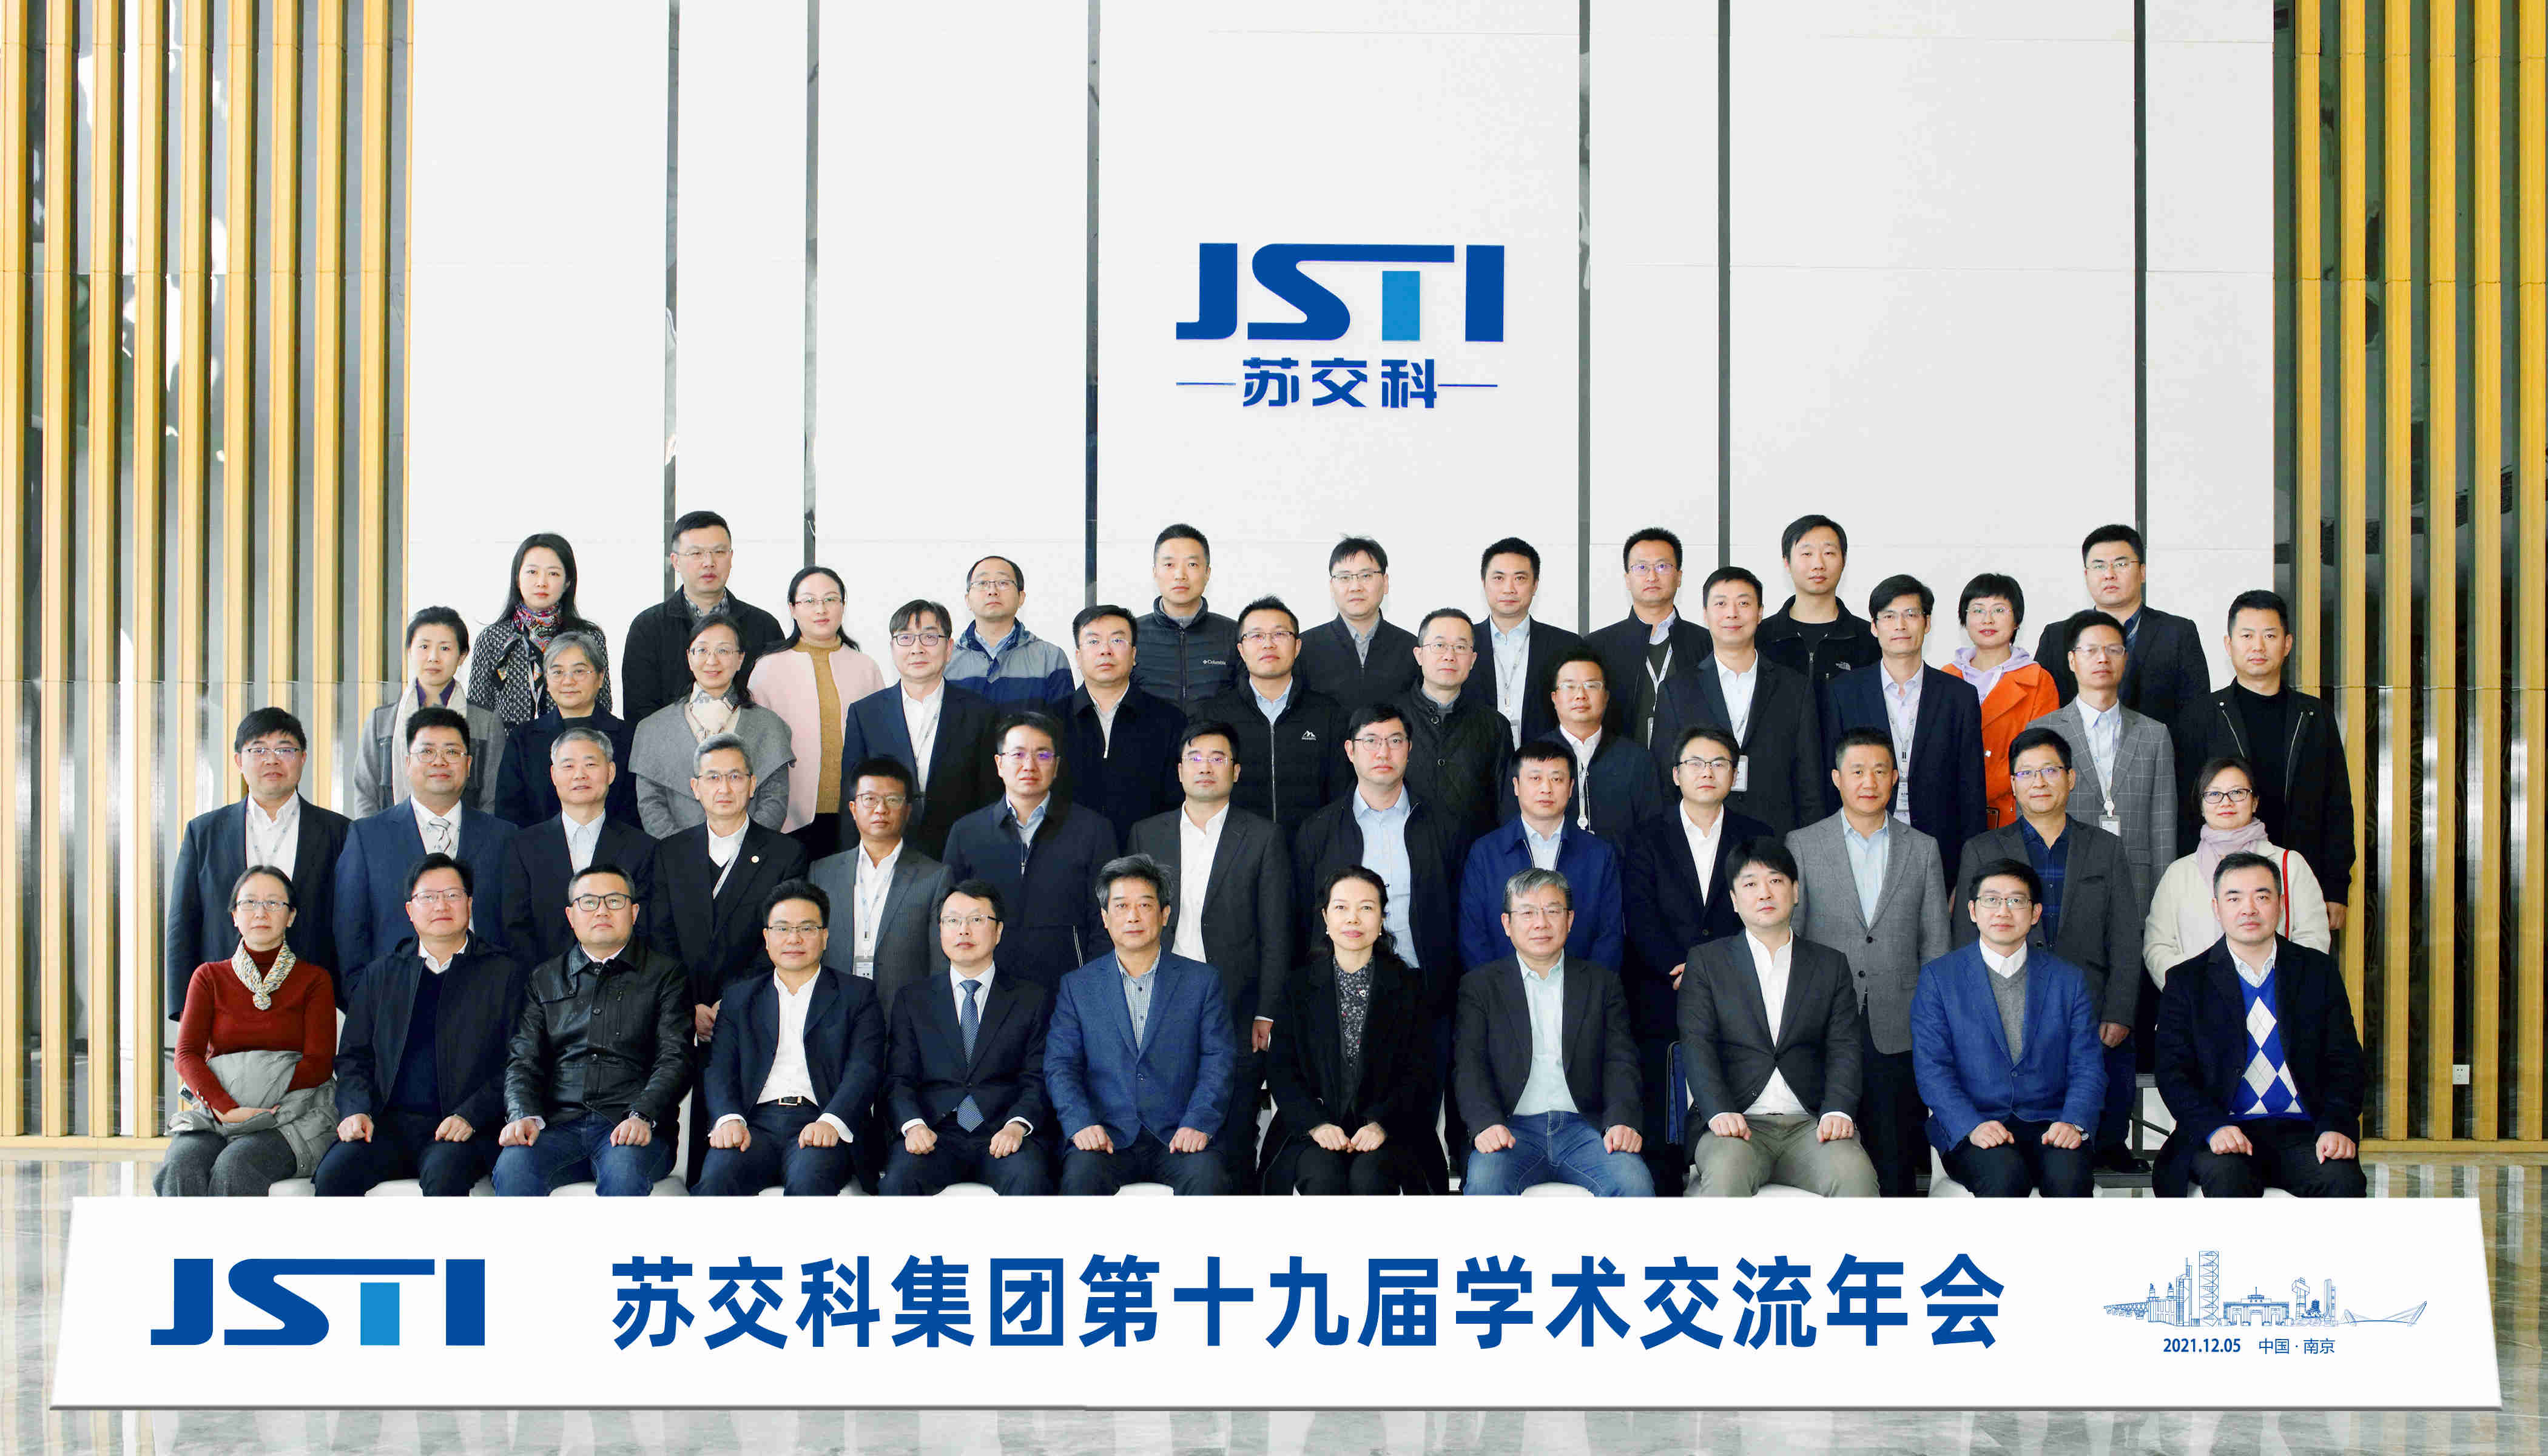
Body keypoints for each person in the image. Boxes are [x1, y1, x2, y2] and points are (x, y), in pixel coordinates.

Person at [1950, 728, 2145, 1174]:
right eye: (2026, 773)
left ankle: (2104, 1143)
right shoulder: (1983, 850)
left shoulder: (2106, 848)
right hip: (2008, 1007)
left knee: (2096, 1135)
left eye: (2050, 771)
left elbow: (2125, 937)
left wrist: (2119, 1010)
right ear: (2012, 784)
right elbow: (1964, 940)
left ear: (2071, 779)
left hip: (2092, 1006)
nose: (2039, 782)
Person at [1127, 720, 1293, 1194]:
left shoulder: (1262, 837)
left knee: (1235, 1135)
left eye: (1218, 758)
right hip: (1159, 1002)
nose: (1206, 767)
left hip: (1234, 1005)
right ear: (1180, 770)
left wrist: (1267, 1010)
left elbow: (1276, 932)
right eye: (1195, 758)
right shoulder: (1147, 834)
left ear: (1236, 772)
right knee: (1172, 1134)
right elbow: (1126, 921)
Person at [1788, 729, 1950, 1197]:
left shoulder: (1922, 848)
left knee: (1894, 1156)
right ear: (1836, 778)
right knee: (1829, 1155)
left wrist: (1932, 1022)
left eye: (1880, 771)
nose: (1869, 781)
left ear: (1896, 778)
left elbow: (1935, 943)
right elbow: (1792, 937)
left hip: (1897, 1022)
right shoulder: (1803, 844)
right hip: (1823, 1021)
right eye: (1857, 771)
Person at [2154, 851, 2365, 1198]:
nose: (2249, 909)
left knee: (2342, 1178)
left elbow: (2346, 1062)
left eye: (2262, 897)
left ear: (2280, 904)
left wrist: (2336, 1125)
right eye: (2234, 898)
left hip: (2304, 1131)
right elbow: (2173, 1072)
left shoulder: (2318, 972)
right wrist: (2213, 1127)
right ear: (2216, 908)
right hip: (2223, 1129)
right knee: (2228, 1175)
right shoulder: (2186, 980)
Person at [1680, 839, 1879, 1198]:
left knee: (1856, 1177)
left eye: (1775, 880)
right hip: (1736, 1125)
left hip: (1811, 1126)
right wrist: (1719, 1111)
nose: (1765, 893)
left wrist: (1838, 1110)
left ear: (1795, 891)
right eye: (1750, 884)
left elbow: (1845, 1048)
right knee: (1726, 1175)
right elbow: (1697, 1046)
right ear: (1734, 900)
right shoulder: (1707, 963)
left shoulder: (1830, 965)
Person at [317, 855, 526, 1197]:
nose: (441, 905)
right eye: (428, 897)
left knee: (444, 1175)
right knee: (334, 1174)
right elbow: (354, 1058)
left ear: (470, 904)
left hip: (463, 1126)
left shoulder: (504, 974)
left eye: (453, 895)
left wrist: (471, 1115)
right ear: (410, 910)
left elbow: (518, 1062)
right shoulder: (381, 974)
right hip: (387, 1124)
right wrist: (355, 1111)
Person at [1620, 724, 1774, 1185]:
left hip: (1737, 994)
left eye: (1719, 763)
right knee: (1663, 1127)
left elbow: (1763, 912)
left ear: (1734, 774)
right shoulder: (1645, 836)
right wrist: (1683, 967)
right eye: (1696, 763)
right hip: (1661, 990)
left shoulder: (1758, 837)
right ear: (1676, 774)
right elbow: (1639, 916)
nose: (1707, 772)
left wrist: (1713, 972)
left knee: (1728, 1122)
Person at [492, 864, 691, 1196]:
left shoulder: (666, 976)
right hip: (557, 1126)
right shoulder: (544, 979)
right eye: (589, 902)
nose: (601, 911)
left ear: (634, 912)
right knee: (514, 1168)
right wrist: (522, 1114)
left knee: (624, 1175)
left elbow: (676, 1057)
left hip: (631, 1125)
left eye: (614, 901)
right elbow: (523, 1060)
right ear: (571, 916)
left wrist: (643, 1114)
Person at [1910, 859, 2105, 1198]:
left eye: (2016, 900)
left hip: (2051, 1123)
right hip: (1975, 1124)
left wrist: (2073, 1121)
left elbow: (2087, 1066)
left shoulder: (2067, 980)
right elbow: (1932, 1069)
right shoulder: (1940, 978)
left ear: (2035, 913)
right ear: (1973, 911)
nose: (2003, 911)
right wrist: (1970, 1125)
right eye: (1992, 900)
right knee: (2004, 1177)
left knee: (2070, 1177)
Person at [1452, 868, 1652, 1196]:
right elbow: (1469, 1065)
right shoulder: (1480, 987)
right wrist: (1485, 1123)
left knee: (1633, 1183)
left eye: (1552, 911)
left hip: (1585, 1129)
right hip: (1510, 1129)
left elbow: (1621, 1061)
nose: (1541, 923)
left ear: (1570, 919)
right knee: (1486, 1184)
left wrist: (1622, 1120)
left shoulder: (1602, 984)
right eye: (1527, 913)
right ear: (1507, 924)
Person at [1044, 856, 1236, 1195]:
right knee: (1079, 1179)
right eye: (1121, 906)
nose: (1133, 916)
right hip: (1104, 1137)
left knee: (1209, 1179)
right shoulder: (1078, 986)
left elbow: (1218, 1060)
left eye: (1145, 905)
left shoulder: (1202, 982)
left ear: (1164, 915)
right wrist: (1081, 1124)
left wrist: (1198, 1123)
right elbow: (1061, 1065)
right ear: (1105, 918)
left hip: (1180, 1135)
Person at [2172, 588, 2357, 929]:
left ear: (2287, 644)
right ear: (2229, 645)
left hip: (2302, 882)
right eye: (2247, 636)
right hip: (2224, 888)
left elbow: (2337, 806)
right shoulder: (2200, 717)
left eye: (2270, 636)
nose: (2258, 646)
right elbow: (2186, 810)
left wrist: (2336, 888)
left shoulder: (2314, 716)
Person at [693, 881, 885, 1197]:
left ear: (825, 936)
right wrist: (729, 1119)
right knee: (717, 1178)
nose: (794, 939)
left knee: (809, 1181)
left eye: (807, 928)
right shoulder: (739, 998)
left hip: (819, 1120)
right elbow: (719, 1069)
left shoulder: (857, 995)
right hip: (754, 1124)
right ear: (767, 938)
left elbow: (864, 1069)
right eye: (782, 929)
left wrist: (831, 1121)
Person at [157, 866, 338, 1198]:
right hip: (218, 1112)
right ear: (234, 916)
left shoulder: (315, 980)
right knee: (182, 1164)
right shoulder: (208, 977)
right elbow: (186, 1055)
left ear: (291, 916)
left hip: (290, 1113)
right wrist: (227, 1108)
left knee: (237, 1165)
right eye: (250, 902)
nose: (261, 912)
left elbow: (319, 1062)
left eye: (273, 903)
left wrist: (255, 1109)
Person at [1262, 867, 1440, 1195]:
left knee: (1370, 1176)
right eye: (1341, 907)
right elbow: (1281, 1070)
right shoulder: (1298, 988)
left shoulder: (1410, 987)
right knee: (1323, 1175)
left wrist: (1382, 1124)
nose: (1353, 919)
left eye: (1366, 908)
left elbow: (1423, 1071)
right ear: (1326, 918)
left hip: (1392, 1130)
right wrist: (1317, 1124)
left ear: (1382, 919)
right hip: (1312, 1129)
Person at [165, 707, 351, 1011]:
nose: (272, 760)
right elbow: (182, 923)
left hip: (311, 999)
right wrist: (184, 1007)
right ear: (239, 761)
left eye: (285, 749)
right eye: (259, 750)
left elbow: (351, 924)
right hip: (223, 999)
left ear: (303, 758)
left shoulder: (339, 832)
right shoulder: (204, 832)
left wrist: (353, 1003)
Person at [880, 880, 1057, 1196]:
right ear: (940, 930)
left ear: (998, 931)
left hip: (1003, 1131)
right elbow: (898, 1079)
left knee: (1029, 1179)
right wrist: (913, 1125)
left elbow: (1037, 1079)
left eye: (976, 919)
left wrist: (1017, 1125)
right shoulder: (913, 1000)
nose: (963, 930)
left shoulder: (1031, 999)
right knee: (898, 1181)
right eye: (953, 920)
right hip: (935, 1132)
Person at [332, 706, 519, 991]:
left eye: (452, 752)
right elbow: (350, 932)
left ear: (469, 764)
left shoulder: (504, 837)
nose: (439, 761)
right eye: (427, 752)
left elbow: (516, 928)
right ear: (407, 763)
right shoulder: (367, 837)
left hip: (487, 998)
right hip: (394, 999)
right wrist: (364, 1000)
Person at [941, 712, 1118, 998]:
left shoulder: (1093, 830)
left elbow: (1105, 919)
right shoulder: (966, 833)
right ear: (999, 764)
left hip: (1068, 989)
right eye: (1018, 754)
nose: (1029, 765)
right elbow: (949, 917)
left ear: (1056, 765)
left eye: (1043, 755)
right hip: (988, 991)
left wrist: (1092, 987)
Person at [1821, 574, 1987, 876]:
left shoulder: (1959, 696)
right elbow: (1831, 781)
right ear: (1874, 627)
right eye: (1889, 616)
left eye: (1911, 614)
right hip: (1860, 845)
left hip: (1940, 849)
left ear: (1927, 623)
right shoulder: (1843, 692)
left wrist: (1968, 876)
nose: (1900, 625)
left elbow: (1972, 790)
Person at [658, 735, 812, 1057]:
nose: (724, 789)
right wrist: (688, 1004)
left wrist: (732, 1000)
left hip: (757, 1016)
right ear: (695, 787)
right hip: (679, 1022)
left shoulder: (785, 855)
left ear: (752, 784)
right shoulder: (669, 854)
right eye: (713, 778)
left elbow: (783, 938)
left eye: (735, 777)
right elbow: (659, 936)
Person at [1650, 565, 1824, 834]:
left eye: (1743, 603)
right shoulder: (1677, 691)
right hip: (1702, 837)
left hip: (1775, 837)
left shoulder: (1795, 687)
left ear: (1760, 613)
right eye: (1721, 604)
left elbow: (1810, 782)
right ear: (1705, 614)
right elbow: (1664, 781)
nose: (1732, 613)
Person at [2023, 608, 2178, 910]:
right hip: (2062, 882)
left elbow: (2163, 830)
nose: (2103, 659)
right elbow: (2029, 820)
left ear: (2125, 659)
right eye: (2091, 650)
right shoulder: (2043, 731)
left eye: (2113, 650)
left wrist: (2163, 905)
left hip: (2136, 886)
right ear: (2072, 660)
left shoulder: (2154, 734)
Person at [2143, 757, 2333, 982]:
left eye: (2237, 792)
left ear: (2255, 802)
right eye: (2214, 794)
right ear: (2201, 806)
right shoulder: (2178, 873)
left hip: (2276, 995)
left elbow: (2313, 938)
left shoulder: (2291, 865)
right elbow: (2158, 947)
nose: (2226, 802)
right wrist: (2193, 989)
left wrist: (2272, 987)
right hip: (2200, 998)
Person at [836, 598, 999, 858]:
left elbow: (990, 799)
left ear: (949, 648)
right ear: (892, 648)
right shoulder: (865, 713)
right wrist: (849, 862)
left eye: (930, 637)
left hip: (960, 854)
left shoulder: (981, 712)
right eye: (905, 638)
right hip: (886, 854)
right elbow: (851, 797)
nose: (917, 648)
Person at [747, 565, 886, 861]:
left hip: (855, 813)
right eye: (809, 601)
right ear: (792, 609)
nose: (821, 609)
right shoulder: (768, 669)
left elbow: (880, 743)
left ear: (843, 606)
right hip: (789, 816)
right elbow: (755, 747)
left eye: (830, 599)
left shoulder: (866, 667)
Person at [1458, 740, 1624, 972]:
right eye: (1535, 778)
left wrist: (1588, 990)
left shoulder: (1599, 854)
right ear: (1516, 785)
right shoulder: (1485, 853)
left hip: (1583, 990)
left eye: (1557, 779)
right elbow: (1473, 937)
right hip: (1503, 990)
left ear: (1571, 787)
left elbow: (1610, 936)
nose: (1546, 788)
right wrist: (1498, 990)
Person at [500, 727, 660, 966]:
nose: (579, 775)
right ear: (553, 775)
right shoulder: (522, 847)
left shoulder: (643, 848)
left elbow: (647, 928)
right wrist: (547, 981)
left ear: (611, 772)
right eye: (568, 766)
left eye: (590, 765)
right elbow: (516, 929)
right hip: (542, 982)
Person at [806, 758, 952, 1011]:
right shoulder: (822, 872)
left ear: (908, 810)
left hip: (905, 1013)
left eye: (893, 800)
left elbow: (940, 963)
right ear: (853, 808)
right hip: (835, 1011)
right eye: (870, 799)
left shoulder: (935, 876)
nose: (881, 809)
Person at [2032, 524, 2212, 726]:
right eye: (2099, 566)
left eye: (2121, 564)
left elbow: (2197, 718)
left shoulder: (2178, 634)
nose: (2109, 574)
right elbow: (2042, 718)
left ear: (2142, 572)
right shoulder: (2057, 638)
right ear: (2086, 576)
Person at [630, 616, 795, 837]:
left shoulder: (769, 725)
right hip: (675, 853)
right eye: (702, 650)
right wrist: (679, 850)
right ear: (689, 658)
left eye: (723, 651)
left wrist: (746, 847)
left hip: (753, 853)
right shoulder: (653, 729)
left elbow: (774, 800)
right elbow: (651, 804)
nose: (712, 660)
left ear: (740, 659)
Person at [621, 510, 786, 729]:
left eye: (719, 552)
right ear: (675, 561)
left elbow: (776, 706)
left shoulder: (764, 627)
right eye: (696, 553)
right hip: (670, 747)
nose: (709, 562)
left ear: (731, 557)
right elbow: (639, 713)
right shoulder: (647, 628)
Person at [1193, 597, 1345, 832]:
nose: (1268, 644)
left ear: (1297, 647)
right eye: (1256, 636)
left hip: (1312, 848)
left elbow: (1340, 795)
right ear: (1241, 650)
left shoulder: (1329, 714)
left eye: (1280, 634)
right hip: (1237, 848)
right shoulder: (1213, 716)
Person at [352, 606, 504, 818]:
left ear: (462, 656)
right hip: (392, 835)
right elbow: (365, 793)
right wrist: (376, 836)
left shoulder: (485, 722)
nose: (433, 657)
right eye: (424, 647)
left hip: (467, 836)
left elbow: (492, 798)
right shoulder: (382, 720)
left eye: (445, 648)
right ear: (410, 651)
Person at [1058, 603, 1184, 845]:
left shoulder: (1169, 721)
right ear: (1078, 656)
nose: (1105, 651)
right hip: (1068, 857)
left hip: (1145, 858)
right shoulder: (1051, 721)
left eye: (1117, 641)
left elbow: (1175, 805)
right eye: (1093, 642)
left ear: (1134, 654)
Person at [1945, 573, 2061, 831]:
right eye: (1977, 610)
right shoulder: (1944, 677)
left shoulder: (2038, 680)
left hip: (2013, 816)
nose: (1987, 620)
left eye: (1999, 610)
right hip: (1947, 813)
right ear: (1964, 618)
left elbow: (2038, 754)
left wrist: (1972, 790)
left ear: (2017, 620)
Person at [491, 630, 638, 828]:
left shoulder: (629, 737)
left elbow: (635, 811)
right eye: (558, 672)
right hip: (536, 846)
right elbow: (508, 815)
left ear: (600, 677)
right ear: (547, 681)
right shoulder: (523, 739)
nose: (568, 681)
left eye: (579, 671)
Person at [468, 532, 614, 730]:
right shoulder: (492, 639)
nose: (541, 582)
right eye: (532, 572)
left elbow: (603, 706)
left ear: (568, 582)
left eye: (553, 574)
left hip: (574, 745)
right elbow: (478, 716)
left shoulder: (589, 637)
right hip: (508, 747)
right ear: (517, 579)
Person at [1398, 607, 1510, 860]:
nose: (1449, 656)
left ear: (1473, 659)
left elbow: (1504, 809)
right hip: (1404, 862)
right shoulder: (1389, 720)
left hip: (1473, 865)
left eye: (1460, 647)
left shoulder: (1494, 726)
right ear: (1419, 655)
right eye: (1439, 646)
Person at [1584, 527, 1710, 748]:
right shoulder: (1596, 647)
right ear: (1627, 579)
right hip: (1620, 765)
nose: (1652, 576)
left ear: (1679, 577)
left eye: (1663, 566)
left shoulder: (1707, 643)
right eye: (1641, 567)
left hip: (1689, 767)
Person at [1457, 536, 1583, 749]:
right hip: (1476, 764)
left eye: (1520, 578)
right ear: (1484, 583)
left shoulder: (1567, 646)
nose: (1509, 589)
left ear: (1535, 585)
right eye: (1499, 578)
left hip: (1546, 762)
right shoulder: (1462, 645)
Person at [1532, 647, 1668, 844]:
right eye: (1570, 686)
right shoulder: (1531, 759)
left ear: (1606, 697)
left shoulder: (1637, 760)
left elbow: (1652, 836)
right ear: (1554, 698)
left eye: (1591, 686)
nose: (1580, 695)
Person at [1756, 513, 1879, 703]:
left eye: (1829, 553)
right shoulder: (1760, 638)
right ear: (1787, 562)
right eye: (1807, 554)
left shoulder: (1870, 640)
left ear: (1844, 560)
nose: (1818, 564)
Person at [1297, 536, 1420, 713]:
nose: (1355, 587)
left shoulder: (1411, 649)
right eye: (1344, 577)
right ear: (1332, 586)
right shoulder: (1304, 648)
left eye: (1366, 576)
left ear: (1385, 582)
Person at [1133, 523, 1240, 711]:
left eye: (1192, 565)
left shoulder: (1235, 635)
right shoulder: (1130, 635)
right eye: (1169, 565)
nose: (1180, 575)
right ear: (1155, 572)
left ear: (1207, 573)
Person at [948, 554, 1074, 711]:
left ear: (1021, 598)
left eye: (1003, 583)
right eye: (982, 583)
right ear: (967, 600)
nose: (992, 591)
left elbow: (1063, 724)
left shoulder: (1050, 659)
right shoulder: (946, 660)